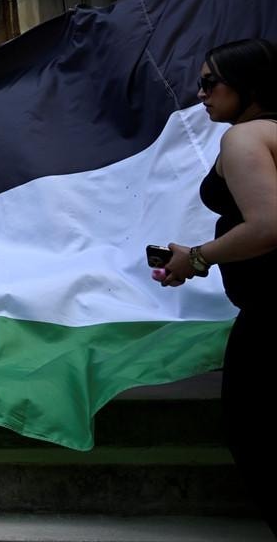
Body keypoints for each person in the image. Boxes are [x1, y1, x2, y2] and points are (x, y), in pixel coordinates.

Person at [156, 37, 277, 535]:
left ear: (248, 86)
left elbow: (267, 227)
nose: (201, 93)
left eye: (210, 83)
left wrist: (196, 258)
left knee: (255, 433)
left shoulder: (245, 138)